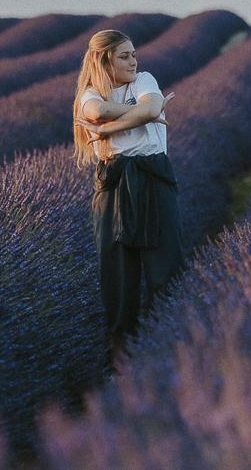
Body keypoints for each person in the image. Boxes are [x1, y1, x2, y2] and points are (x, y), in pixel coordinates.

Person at [73, 29, 183, 356]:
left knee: (167, 272)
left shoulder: (144, 79)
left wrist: (109, 130)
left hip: (153, 179)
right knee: (118, 278)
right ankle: (123, 363)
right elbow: (98, 112)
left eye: (134, 54)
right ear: (104, 61)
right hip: (114, 184)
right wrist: (149, 111)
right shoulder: (89, 94)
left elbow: (144, 111)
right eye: (125, 56)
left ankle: (172, 353)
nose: (134, 61)